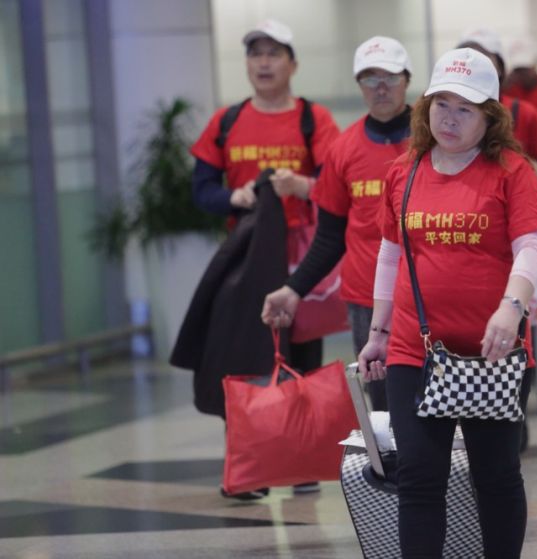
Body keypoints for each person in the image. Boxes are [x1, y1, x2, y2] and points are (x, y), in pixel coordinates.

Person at [359, 48, 537, 558]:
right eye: (440, 103)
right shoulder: (404, 171)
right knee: (420, 478)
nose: (449, 117)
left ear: (490, 116)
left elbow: (532, 245)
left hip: (491, 351)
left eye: (464, 108)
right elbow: (389, 253)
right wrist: (378, 335)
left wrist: (510, 308)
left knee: (496, 476)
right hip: (413, 350)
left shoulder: (511, 171)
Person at [188, 19, 339, 498]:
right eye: (256, 54)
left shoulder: (313, 119)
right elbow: (202, 191)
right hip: (247, 257)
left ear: (293, 63)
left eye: (275, 53)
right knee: (244, 354)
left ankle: (303, 460)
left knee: (303, 356)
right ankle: (249, 464)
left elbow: (338, 185)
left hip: (302, 254)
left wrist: (305, 186)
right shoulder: (226, 121)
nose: (264, 62)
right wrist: (236, 199)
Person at [261, 36, 413, 411]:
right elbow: (330, 238)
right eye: (369, 78)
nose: (380, 88)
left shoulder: (436, 142)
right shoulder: (343, 150)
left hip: (430, 294)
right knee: (383, 407)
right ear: (359, 85)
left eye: (390, 77)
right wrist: (293, 290)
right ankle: (391, 471)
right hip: (367, 299)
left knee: (437, 403)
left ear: (407, 80)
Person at [458, 28, 537, 158]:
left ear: (500, 67)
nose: (472, 63)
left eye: (483, 56)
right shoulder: (433, 108)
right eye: (466, 55)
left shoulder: (524, 113)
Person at [502, 37, 537, 110]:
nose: (522, 74)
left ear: (536, 64)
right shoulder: (508, 89)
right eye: (518, 69)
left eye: (526, 69)